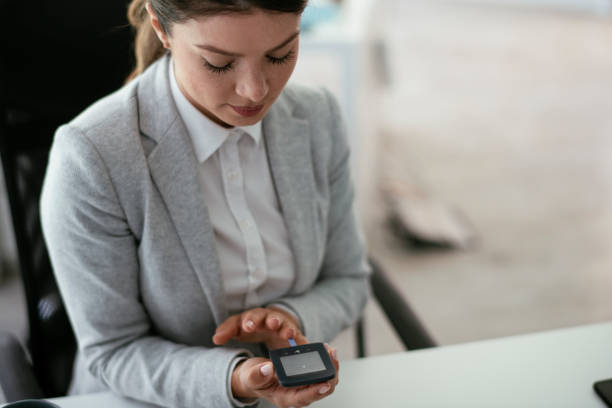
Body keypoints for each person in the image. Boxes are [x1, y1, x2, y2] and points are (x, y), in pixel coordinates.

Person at [40, 0, 370, 407]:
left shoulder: (318, 117)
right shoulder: (92, 156)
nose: (255, 90)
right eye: (218, 63)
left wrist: (290, 320)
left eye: (280, 55)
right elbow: (114, 350)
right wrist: (234, 378)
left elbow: (349, 280)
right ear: (161, 27)